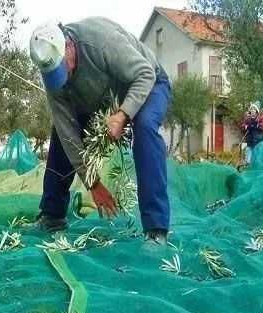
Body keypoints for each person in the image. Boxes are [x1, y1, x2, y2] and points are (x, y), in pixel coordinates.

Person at [29, 18, 171, 245]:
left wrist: (123, 114)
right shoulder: (53, 75)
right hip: (98, 100)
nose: (60, 76)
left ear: (68, 46)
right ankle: (52, 215)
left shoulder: (100, 42)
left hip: (149, 83)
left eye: (61, 67)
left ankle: (156, 229)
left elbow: (145, 74)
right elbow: (68, 134)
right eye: (54, 73)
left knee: (145, 127)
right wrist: (93, 183)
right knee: (62, 135)